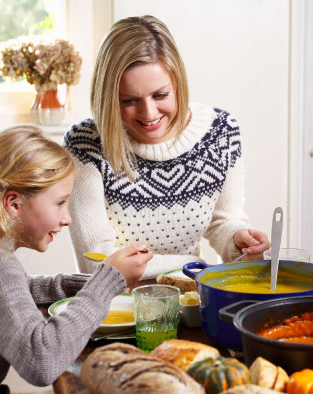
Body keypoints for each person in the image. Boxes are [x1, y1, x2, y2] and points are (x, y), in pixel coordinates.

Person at [0, 125, 151, 392]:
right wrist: (106, 282)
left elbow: (6, 294)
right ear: (13, 204)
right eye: (60, 203)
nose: (67, 218)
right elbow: (43, 361)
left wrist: (86, 282)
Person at [63, 15, 270, 279]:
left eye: (160, 95)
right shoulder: (85, 143)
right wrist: (193, 263)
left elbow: (223, 222)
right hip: (119, 305)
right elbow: (97, 263)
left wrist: (238, 241)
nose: (149, 113)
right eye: (129, 101)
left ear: (178, 84)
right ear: (108, 98)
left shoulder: (221, 132)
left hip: (189, 298)